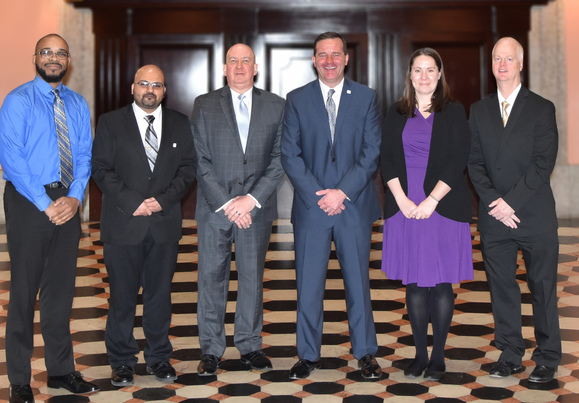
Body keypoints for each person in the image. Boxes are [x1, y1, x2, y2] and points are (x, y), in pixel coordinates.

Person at [0, 34, 99, 403]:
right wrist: (46, 203)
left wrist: (74, 198)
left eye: (60, 53)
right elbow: (12, 160)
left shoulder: (77, 103)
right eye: (46, 52)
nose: (53, 58)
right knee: (24, 293)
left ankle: (60, 371)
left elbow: (85, 154)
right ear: (35, 58)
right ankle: (20, 380)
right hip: (29, 201)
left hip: (67, 200)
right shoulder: (17, 101)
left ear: (68, 60)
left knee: (60, 292)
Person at [281, 31, 382, 380]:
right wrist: (319, 194)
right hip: (312, 209)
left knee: (358, 285)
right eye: (322, 55)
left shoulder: (366, 97)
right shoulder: (296, 99)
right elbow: (289, 154)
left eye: (335, 54)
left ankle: (365, 353)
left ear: (346, 59)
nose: (329, 61)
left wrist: (342, 192)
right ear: (313, 60)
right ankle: (308, 355)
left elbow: (371, 152)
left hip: (354, 206)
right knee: (309, 287)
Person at [92, 65, 196, 387]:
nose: (150, 90)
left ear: (164, 91)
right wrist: (132, 201)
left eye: (157, 85)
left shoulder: (180, 123)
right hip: (123, 223)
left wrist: (163, 201)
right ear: (133, 87)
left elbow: (188, 169)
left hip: (164, 224)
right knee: (122, 298)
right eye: (144, 83)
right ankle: (122, 361)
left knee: (159, 296)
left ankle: (158, 357)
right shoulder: (110, 122)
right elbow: (101, 169)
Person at [468, 37, 561, 383]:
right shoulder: (479, 110)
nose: (503, 65)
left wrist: (511, 203)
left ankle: (547, 357)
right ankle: (510, 353)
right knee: (502, 288)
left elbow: (543, 164)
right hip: (495, 218)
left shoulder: (542, 108)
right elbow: (474, 163)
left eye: (509, 59)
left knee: (543, 288)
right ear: (491, 65)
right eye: (497, 58)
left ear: (521, 64)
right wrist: (497, 204)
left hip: (534, 215)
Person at [191, 43, 285, 376]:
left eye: (246, 61)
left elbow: (280, 158)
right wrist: (228, 203)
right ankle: (211, 349)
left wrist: (251, 200)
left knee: (252, 279)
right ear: (224, 68)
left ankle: (250, 345)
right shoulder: (204, 104)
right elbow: (199, 159)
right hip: (215, 208)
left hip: (256, 210)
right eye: (234, 61)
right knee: (210, 279)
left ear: (256, 68)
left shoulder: (277, 105)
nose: (240, 66)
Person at [380, 48, 473, 382]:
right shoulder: (396, 111)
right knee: (416, 283)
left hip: (442, 204)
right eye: (417, 70)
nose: (424, 76)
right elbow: (387, 158)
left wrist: (432, 200)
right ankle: (419, 355)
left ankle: (438, 357)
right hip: (405, 205)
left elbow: (459, 157)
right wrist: (402, 199)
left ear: (439, 74)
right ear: (410, 74)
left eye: (430, 69)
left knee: (442, 282)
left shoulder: (454, 110)